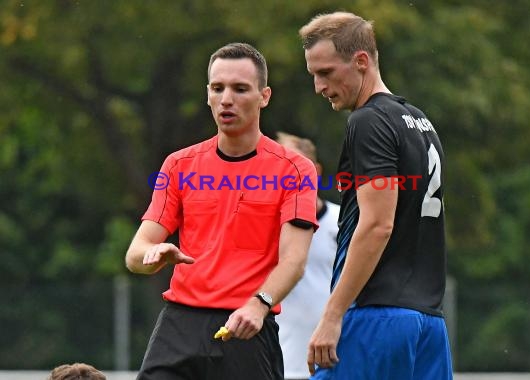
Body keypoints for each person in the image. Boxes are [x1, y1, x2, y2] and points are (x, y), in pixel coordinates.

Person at [125, 42, 318, 380]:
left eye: (240, 89)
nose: (226, 98)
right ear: (208, 94)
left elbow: (294, 261)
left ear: (264, 96)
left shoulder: (296, 169)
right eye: (218, 88)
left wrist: (258, 305)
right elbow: (134, 255)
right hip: (178, 325)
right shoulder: (178, 165)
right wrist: (152, 254)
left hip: (247, 326)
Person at [299, 11, 453, 380]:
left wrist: (332, 315)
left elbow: (377, 225)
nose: (319, 87)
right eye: (314, 75)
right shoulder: (421, 123)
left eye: (326, 73)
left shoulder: (368, 121)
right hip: (428, 324)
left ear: (361, 61)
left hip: (376, 318)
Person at [274, 132, 340, 380]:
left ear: (316, 171)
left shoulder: (344, 223)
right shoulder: (260, 227)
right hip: (275, 364)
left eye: (296, 166)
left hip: (333, 363)